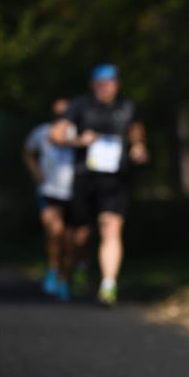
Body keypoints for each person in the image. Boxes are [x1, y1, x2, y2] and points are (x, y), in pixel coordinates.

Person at [50, 64, 148, 306]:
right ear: (93, 85)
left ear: (117, 84)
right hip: (84, 177)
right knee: (80, 235)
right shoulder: (80, 105)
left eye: (110, 83)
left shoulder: (126, 106)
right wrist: (78, 141)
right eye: (101, 84)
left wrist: (138, 145)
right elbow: (55, 135)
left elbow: (136, 129)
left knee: (110, 226)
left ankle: (108, 285)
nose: (106, 88)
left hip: (115, 178)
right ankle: (80, 266)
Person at [23, 98, 75, 301]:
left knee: (70, 239)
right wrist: (36, 173)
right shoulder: (42, 132)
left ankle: (66, 276)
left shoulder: (78, 132)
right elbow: (27, 152)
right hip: (49, 189)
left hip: (73, 192)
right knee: (54, 231)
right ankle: (53, 269)